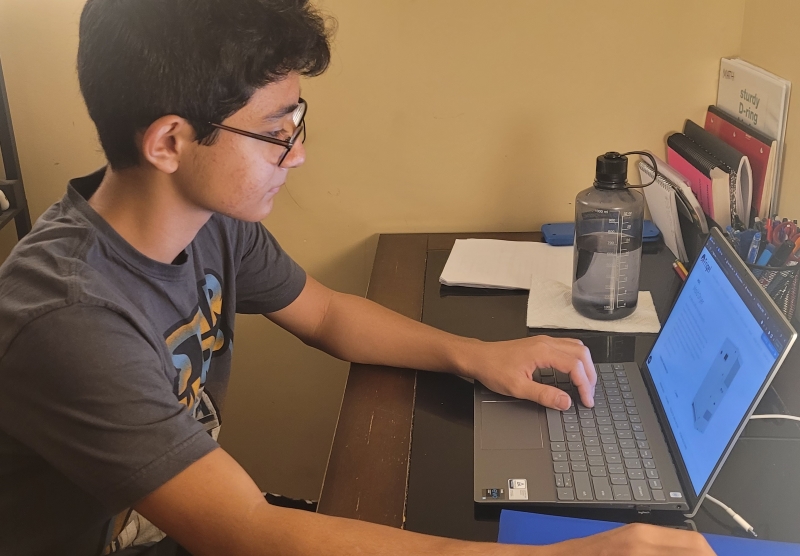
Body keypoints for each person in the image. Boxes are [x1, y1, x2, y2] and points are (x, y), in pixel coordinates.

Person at [0, 0, 716, 554]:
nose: (300, 154)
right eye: (278, 131)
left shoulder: (208, 218)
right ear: (170, 141)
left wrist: (476, 356)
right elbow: (246, 532)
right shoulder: (67, 316)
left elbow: (327, 315)